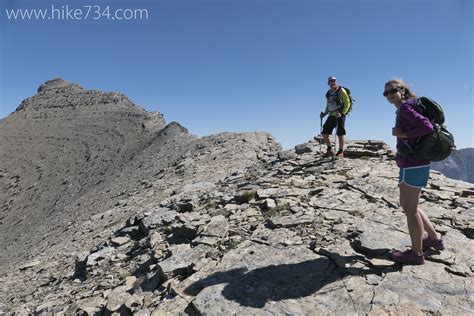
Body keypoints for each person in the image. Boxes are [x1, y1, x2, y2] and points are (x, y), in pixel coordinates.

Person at [384, 79, 445, 265]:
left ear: (402, 90)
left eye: (393, 90)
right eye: (385, 93)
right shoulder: (408, 106)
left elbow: (427, 127)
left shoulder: (405, 108)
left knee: (410, 209)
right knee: (409, 205)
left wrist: (402, 135)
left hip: (413, 163)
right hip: (412, 163)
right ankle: (434, 240)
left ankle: (416, 254)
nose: (389, 95)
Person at [320, 76, 350, 158]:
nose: (332, 82)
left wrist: (342, 113)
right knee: (324, 132)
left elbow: (347, 103)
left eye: (334, 81)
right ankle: (330, 150)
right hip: (331, 115)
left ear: (336, 81)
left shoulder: (341, 91)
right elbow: (328, 105)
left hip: (339, 114)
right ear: (328, 83)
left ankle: (340, 152)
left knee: (340, 133)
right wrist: (324, 114)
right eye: (331, 81)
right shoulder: (328, 93)